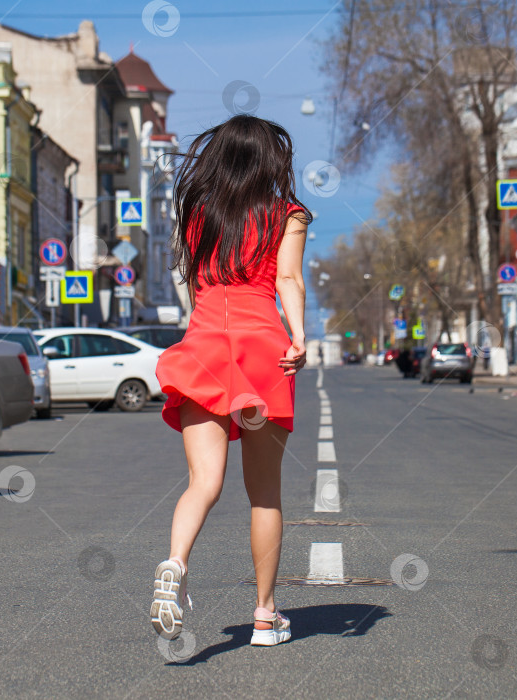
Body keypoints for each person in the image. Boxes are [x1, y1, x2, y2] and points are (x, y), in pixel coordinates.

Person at [151, 115, 312, 647]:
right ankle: (265, 616)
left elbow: (198, 292)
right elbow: (286, 278)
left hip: (203, 349)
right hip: (262, 350)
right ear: (270, 160)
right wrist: (299, 338)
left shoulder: (198, 214)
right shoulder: (287, 214)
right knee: (264, 494)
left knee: (203, 483)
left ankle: (174, 563)